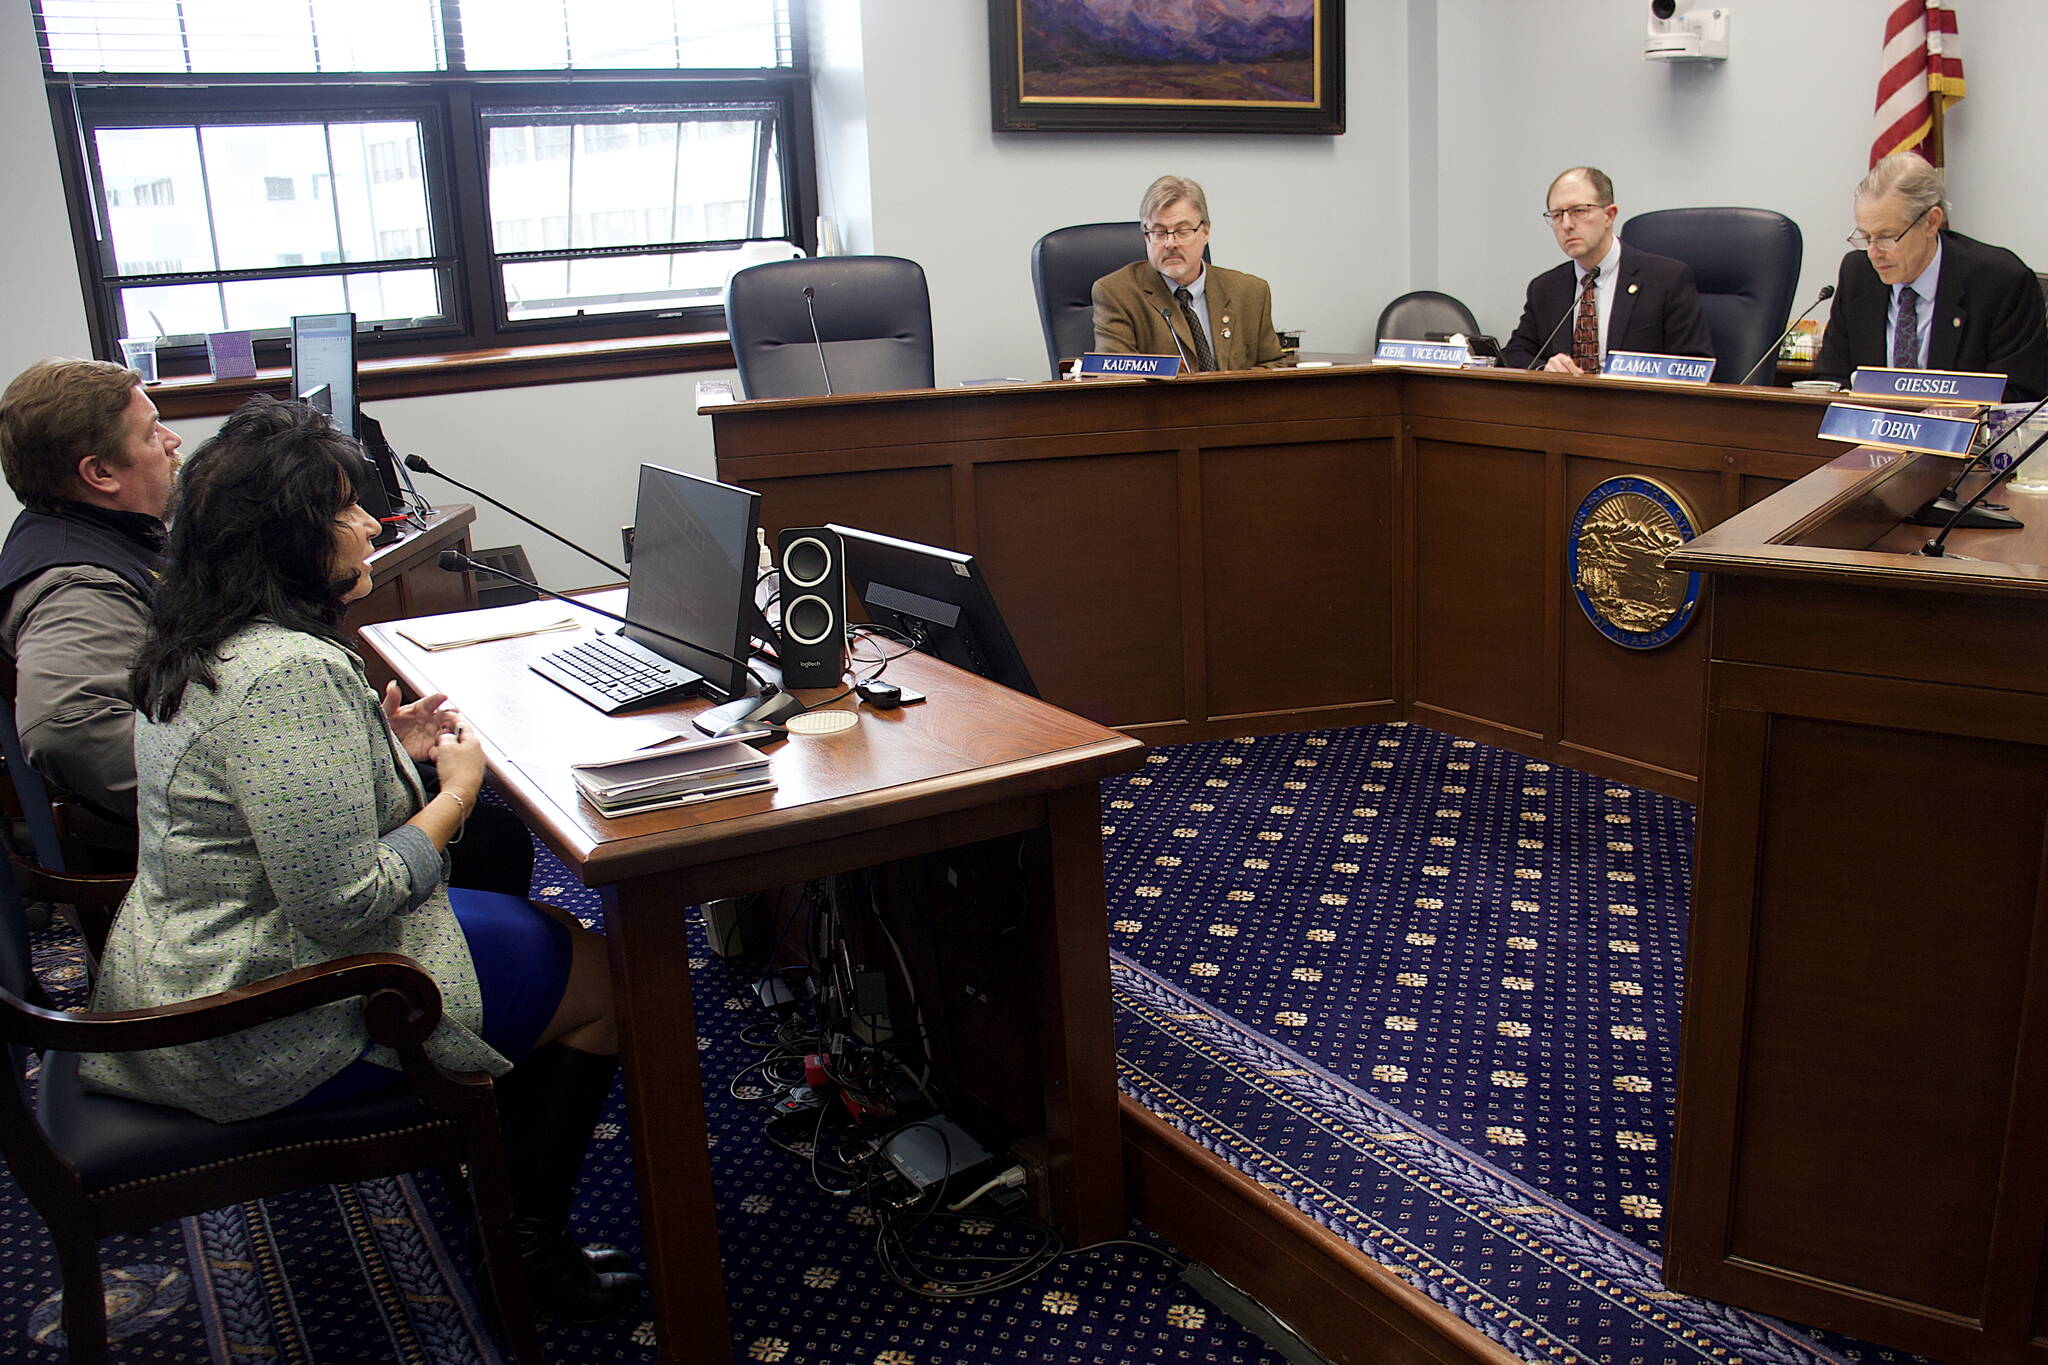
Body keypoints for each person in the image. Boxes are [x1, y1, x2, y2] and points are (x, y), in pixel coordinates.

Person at [77, 396, 639, 1321]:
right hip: (251, 1011)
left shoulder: (199, 634)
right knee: (607, 979)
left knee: (532, 913)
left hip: (182, 961)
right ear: (287, 537)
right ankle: (527, 1254)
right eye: (344, 510)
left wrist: (378, 743)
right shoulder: (286, 670)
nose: (370, 524)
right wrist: (455, 791)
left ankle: (494, 1174)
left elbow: (255, 790)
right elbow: (344, 902)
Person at [0, 358, 532, 894]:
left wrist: (349, 745)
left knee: (476, 822)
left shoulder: (111, 534)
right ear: (99, 473)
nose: (171, 440)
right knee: (488, 835)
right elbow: (64, 728)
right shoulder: (76, 585)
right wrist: (257, 779)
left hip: (244, 815)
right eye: (150, 430)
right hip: (219, 856)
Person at [1811, 151, 2048, 402]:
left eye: (1887, 237)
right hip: (1869, 435)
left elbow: (2020, 397)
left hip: (1966, 438)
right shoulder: (1857, 274)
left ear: (1931, 222)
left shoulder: (2001, 282)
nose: (1873, 252)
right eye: (1865, 237)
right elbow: (1831, 379)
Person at [1499, 166, 1713, 374]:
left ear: (1609, 215)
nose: (1566, 225)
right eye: (1556, 215)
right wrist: (1543, 369)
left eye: (1579, 211)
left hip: (1638, 406)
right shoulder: (1545, 288)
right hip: (1563, 407)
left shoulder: (1667, 280)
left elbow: (1694, 366)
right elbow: (1514, 354)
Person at [1091, 175, 1284, 371]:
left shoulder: (1250, 292)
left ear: (1205, 232)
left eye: (1182, 231)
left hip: (1235, 402)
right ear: (1146, 238)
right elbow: (1115, 383)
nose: (1171, 243)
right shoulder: (1116, 294)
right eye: (1159, 232)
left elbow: (1273, 367)